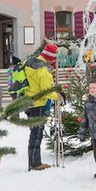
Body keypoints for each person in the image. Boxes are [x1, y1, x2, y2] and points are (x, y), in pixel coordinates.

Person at [21, 42, 59, 171]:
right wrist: (58, 96)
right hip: (39, 104)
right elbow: (47, 91)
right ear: (50, 58)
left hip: (28, 102)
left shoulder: (29, 62)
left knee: (33, 132)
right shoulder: (42, 70)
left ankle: (33, 161)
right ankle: (35, 163)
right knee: (37, 134)